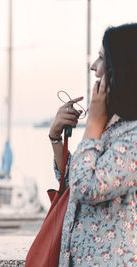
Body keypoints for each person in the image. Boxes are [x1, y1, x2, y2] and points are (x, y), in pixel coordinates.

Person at [49, 23, 137, 266]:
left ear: (122, 69)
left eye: (101, 59)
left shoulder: (133, 135)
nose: (93, 67)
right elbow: (72, 183)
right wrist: (57, 138)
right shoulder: (116, 126)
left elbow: (87, 188)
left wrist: (94, 124)